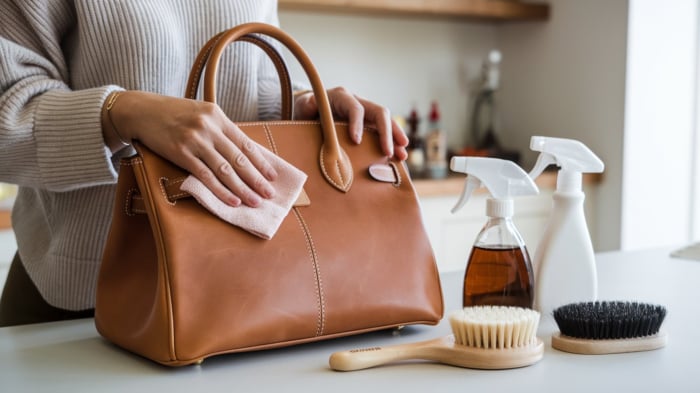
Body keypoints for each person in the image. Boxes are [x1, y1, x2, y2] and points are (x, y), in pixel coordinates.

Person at [0, 0, 408, 326]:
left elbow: (252, 83)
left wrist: (301, 106)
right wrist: (121, 111)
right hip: (82, 298)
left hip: (234, 289)